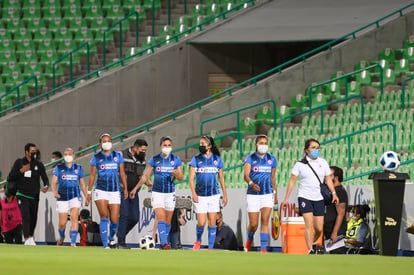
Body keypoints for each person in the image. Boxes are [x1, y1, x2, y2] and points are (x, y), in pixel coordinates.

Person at [280, 138, 339, 254]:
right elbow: (292, 181)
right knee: (308, 223)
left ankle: (311, 242)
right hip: (304, 196)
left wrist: (334, 193)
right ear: (306, 150)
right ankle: (310, 249)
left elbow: (328, 179)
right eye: (313, 148)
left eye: (318, 148)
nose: (316, 150)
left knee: (318, 228)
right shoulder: (300, 164)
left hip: (318, 198)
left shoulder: (323, 162)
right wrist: (286, 198)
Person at [130, 136, 183, 250]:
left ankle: (164, 241)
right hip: (157, 193)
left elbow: (180, 177)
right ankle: (164, 243)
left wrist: (175, 173)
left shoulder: (176, 159)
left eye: (169, 145)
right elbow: (145, 176)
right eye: (165, 145)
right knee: (161, 217)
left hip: (170, 193)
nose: (167, 147)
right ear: (160, 146)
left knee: (168, 221)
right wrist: (135, 188)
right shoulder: (155, 159)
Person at [86, 133, 128, 249]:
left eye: (108, 140)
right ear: (100, 144)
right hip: (101, 190)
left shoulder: (117, 156)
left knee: (114, 220)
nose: (106, 143)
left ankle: (110, 238)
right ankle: (105, 245)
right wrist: (89, 192)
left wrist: (125, 188)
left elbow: (122, 173)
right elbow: (92, 176)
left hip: (114, 190)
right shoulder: (96, 157)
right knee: (104, 216)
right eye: (104, 141)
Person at [189, 135, 227, 251]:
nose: (200, 146)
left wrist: (225, 195)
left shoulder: (217, 160)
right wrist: (194, 194)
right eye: (200, 144)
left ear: (209, 146)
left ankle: (211, 247)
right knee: (201, 223)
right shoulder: (196, 160)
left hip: (214, 195)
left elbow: (221, 178)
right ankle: (198, 240)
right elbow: (191, 179)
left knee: (212, 222)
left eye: (203, 144)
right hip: (200, 195)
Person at [8, 143, 49, 245]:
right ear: (27, 152)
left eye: (35, 151)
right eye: (32, 151)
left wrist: (46, 186)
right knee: (26, 216)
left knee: (33, 218)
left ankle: (30, 236)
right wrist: (22, 170)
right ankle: (26, 238)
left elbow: (45, 179)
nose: (34, 153)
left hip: (34, 196)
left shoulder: (39, 164)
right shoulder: (19, 162)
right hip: (22, 194)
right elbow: (11, 177)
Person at [243, 135, 277, 253]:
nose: (263, 145)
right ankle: (249, 240)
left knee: (265, 221)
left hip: (267, 194)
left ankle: (263, 248)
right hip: (253, 194)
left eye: (265, 143)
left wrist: (275, 194)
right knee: (253, 224)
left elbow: (273, 177)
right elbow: (246, 175)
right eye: (261, 143)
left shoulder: (271, 159)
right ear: (256, 144)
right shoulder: (250, 158)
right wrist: (252, 184)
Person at [51, 148, 88, 247]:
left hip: (75, 196)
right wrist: (54, 192)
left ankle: (73, 242)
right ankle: (62, 237)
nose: (67, 156)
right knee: (62, 223)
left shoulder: (78, 168)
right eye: (65, 154)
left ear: (73, 155)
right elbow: (53, 182)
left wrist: (87, 196)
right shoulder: (59, 168)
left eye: (69, 154)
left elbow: (82, 184)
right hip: (62, 197)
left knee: (74, 217)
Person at [118, 139, 151, 249]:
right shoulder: (122, 155)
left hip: (134, 192)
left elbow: (142, 175)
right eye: (142, 150)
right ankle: (121, 242)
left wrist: (148, 184)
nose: (143, 152)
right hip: (122, 190)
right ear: (135, 148)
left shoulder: (142, 160)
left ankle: (120, 234)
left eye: (145, 150)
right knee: (124, 215)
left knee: (135, 218)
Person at [323, 166, 348, 254]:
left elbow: (341, 213)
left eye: (329, 175)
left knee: (337, 255)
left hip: (336, 232)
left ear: (336, 177)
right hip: (329, 230)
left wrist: (335, 232)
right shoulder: (333, 191)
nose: (326, 178)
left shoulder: (340, 191)